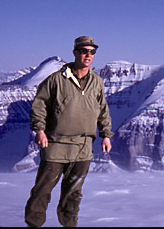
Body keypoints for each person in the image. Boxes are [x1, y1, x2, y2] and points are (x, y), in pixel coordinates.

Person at [25, 36, 113, 227]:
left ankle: (69, 224)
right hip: (56, 144)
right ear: (75, 53)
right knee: (42, 191)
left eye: (92, 51)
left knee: (73, 194)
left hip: (83, 147)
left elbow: (102, 109)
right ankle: (33, 224)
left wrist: (106, 135)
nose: (88, 55)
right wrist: (39, 130)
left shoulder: (97, 81)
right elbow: (39, 106)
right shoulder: (55, 80)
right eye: (84, 51)